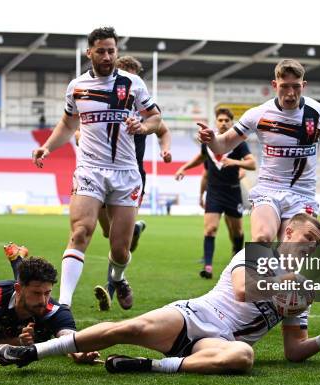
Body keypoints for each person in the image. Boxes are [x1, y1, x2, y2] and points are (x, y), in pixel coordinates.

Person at [0, 213, 320, 374]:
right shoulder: (259, 255)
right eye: (310, 239)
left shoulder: (301, 291)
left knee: (244, 357)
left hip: (219, 342)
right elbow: (243, 290)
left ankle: (147, 366)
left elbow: (294, 352)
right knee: (130, 328)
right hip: (194, 316)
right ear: (289, 234)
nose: (314, 248)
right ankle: (32, 353)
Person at [31, 27, 162, 310]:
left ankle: (119, 277)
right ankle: (63, 305)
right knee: (80, 232)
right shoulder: (77, 87)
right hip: (90, 169)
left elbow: (155, 119)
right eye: (101, 51)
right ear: (88, 52)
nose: (107, 56)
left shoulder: (132, 83)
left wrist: (143, 126)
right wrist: (47, 147)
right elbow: (68, 124)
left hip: (126, 173)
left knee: (119, 248)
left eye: (111, 51)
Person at [197, 59, 320, 242]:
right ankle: (243, 270)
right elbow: (224, 144)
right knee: (261, 237)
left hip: (302, 196)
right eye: (284, 87)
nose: (290, 94)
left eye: (296, 87)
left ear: (304, 85)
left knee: (293, 250)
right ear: (275, 85)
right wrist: (212, 140)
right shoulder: (259, 114)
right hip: (269, 190)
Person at [91, 55, 172, 311]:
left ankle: (113, 286)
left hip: (132, 175)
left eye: (132, 75)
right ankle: (121, 276)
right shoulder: (102, 103)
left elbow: (163, 129)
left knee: (118, 240)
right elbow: (81, 127)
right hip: (100, 172)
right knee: (108, 233)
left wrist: (165, 151)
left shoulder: (143, 110)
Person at [0, 243, 99, 364]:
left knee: (28, 283)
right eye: (36, 293)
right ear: (18, 289)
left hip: (15, 305)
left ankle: (17, 259)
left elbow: (70, 338)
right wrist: (19, 342)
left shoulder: (56, 310)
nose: (43, 301)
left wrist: (78, 352)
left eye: (47, 293)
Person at [175, 108, 256, 279]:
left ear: (232, 123)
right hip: (214, 191)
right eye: (220, 120)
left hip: (233, 191)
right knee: (210, 229)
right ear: (216, 122)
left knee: (238, 232)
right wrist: (184, 168)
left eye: (227, 120)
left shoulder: (239, 143)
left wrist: (233, 161)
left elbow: (252, 164)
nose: (223, 123)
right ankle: (208, 266)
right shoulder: (208, 142)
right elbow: (200, 158)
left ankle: (236, 254)